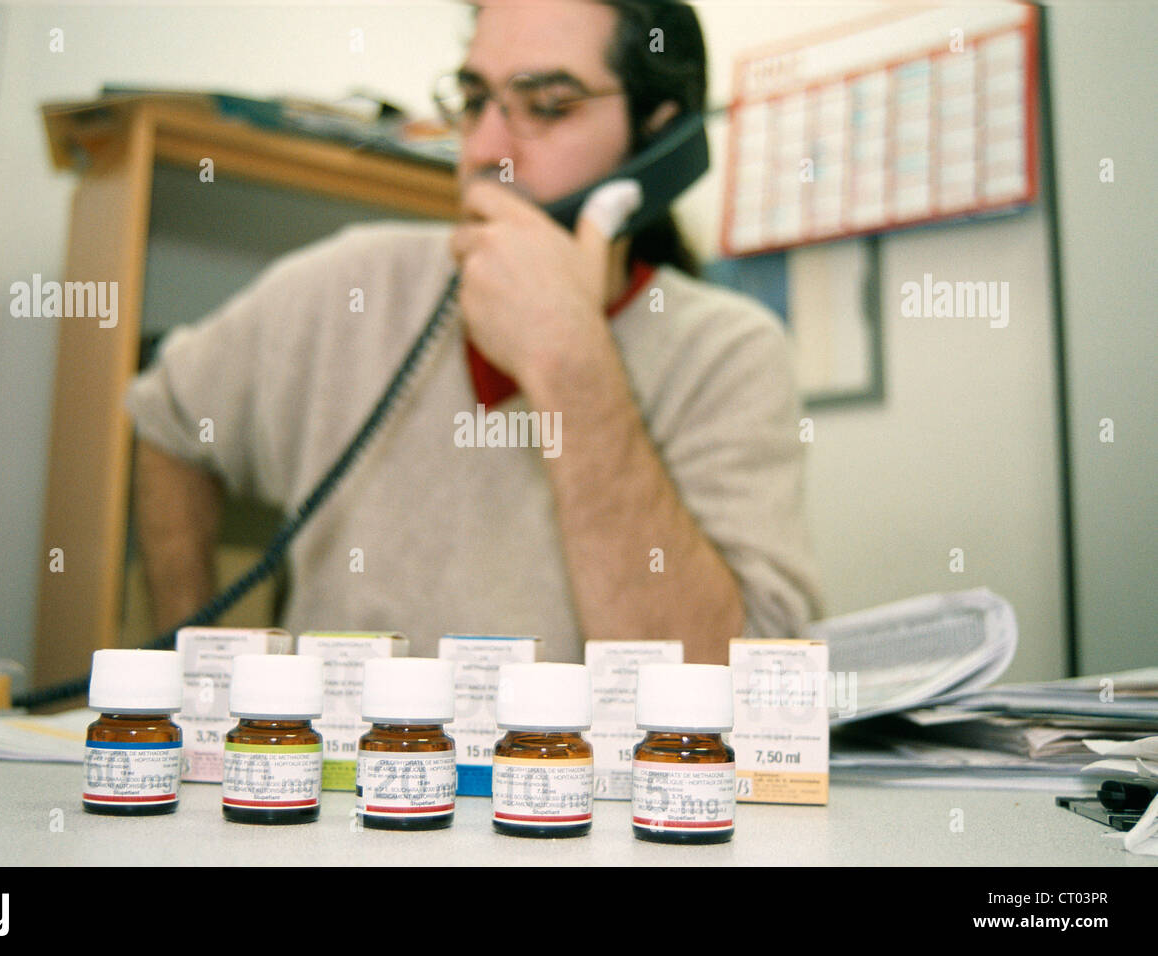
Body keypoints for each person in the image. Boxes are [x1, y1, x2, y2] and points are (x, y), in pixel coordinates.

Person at [125, 0, 822, 665]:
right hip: (343, 783)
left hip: (573, 786)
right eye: (474, 99)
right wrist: (193, 673)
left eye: (548, 105)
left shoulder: (731, 354)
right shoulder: (352, 282)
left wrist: (571, 364)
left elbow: (731, 685)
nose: (486, 151)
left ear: (660, 136)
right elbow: (169, 414)